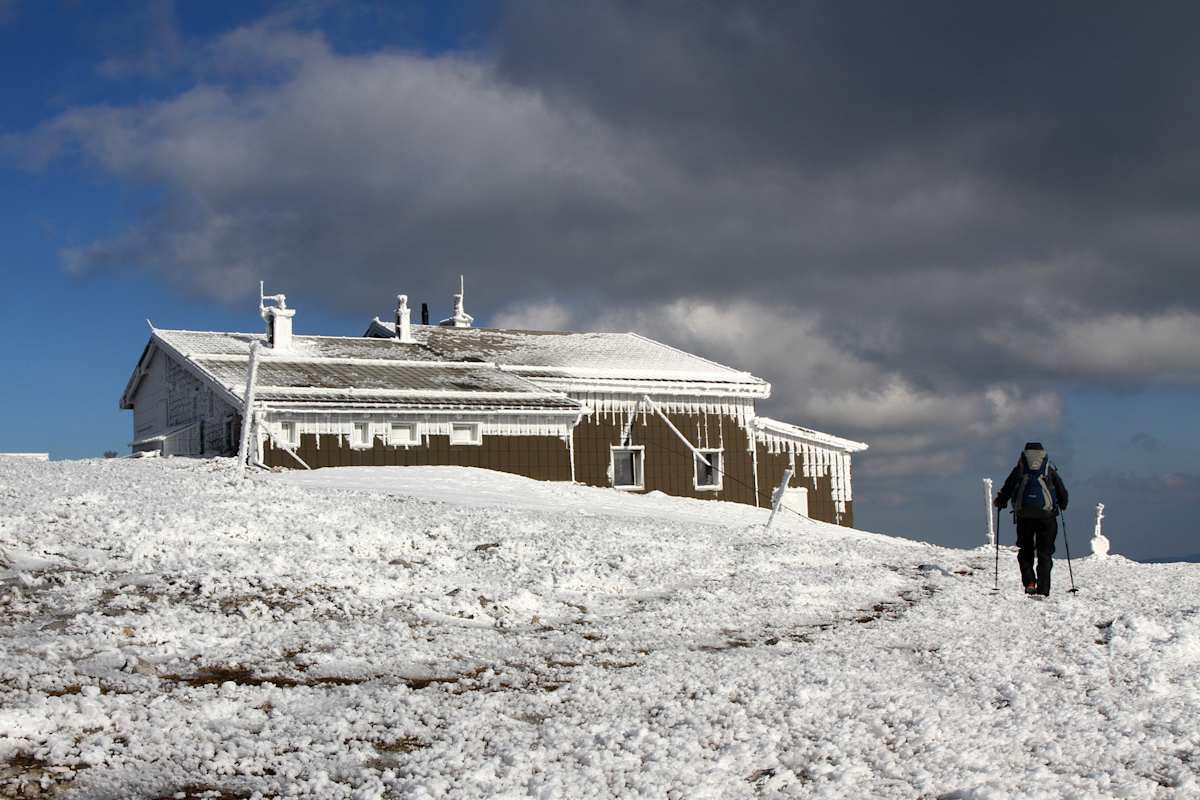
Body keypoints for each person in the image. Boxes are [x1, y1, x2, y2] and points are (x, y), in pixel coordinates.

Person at [994, 442, 1069, 596]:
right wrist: (1062, 504)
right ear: (1042, 453)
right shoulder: (1048, 468)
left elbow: (1008, 487)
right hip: (1047, 517)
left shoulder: (1021, 468)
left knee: (1025, 550)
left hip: (1024, 516)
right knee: (1045, 553)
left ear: (1025, 452)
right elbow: (1062, 491)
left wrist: (1001, 502)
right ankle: (1043, 590)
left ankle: (1029, 581)